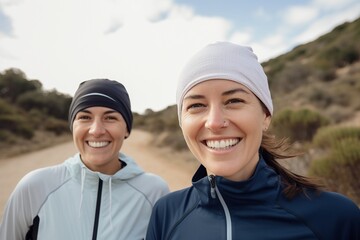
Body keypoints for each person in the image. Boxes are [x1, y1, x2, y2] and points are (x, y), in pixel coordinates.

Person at [145, 42, 360, 240]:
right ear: (182, 122)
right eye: (196, 105)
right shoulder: (166, 214)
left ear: (265, 116)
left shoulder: (335, 218)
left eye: (234, 101)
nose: (214, 122)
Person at [0, 78, 169, 240]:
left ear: (126, 129)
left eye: (110, 117)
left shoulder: (154, 192)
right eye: (85, 117)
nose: (96, 130)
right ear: (73, 127)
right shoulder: (35, 186)